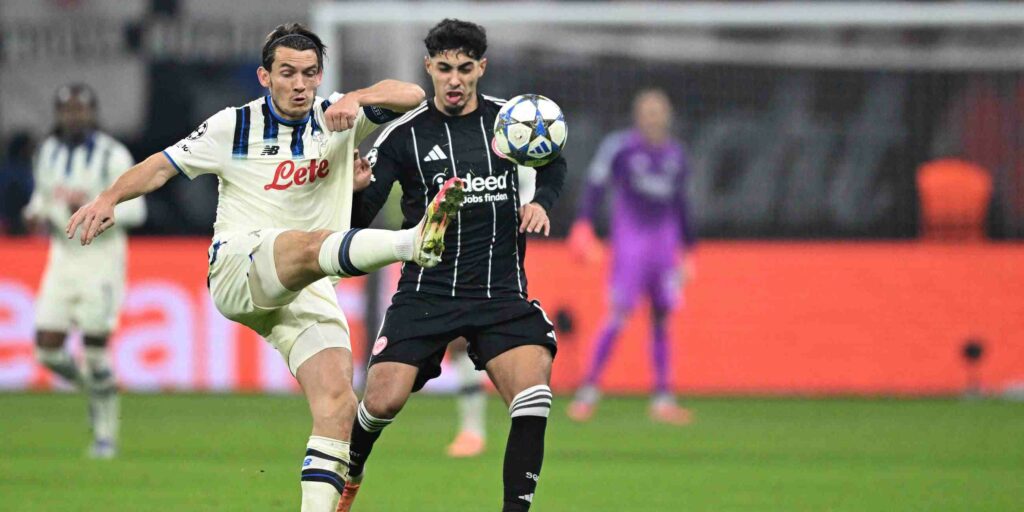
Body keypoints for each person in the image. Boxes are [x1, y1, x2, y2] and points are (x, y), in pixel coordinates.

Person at [66, 23, 464, 512]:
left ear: (320, 76)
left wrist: (356, 98)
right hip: (239, 265)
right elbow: (162, 165)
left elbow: (411, 94)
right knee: (306, 242)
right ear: (264, 76)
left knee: (338, 402)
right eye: (288, 73)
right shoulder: (231, 126)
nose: (300, 84)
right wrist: (109, 197)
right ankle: (411, 242)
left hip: (308, 285)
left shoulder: (336, 114)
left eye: (310, 74)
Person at [338, 18, 567, 512]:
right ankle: (349, 474)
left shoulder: (511, 121)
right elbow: (359, 219)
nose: (455, 79)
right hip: (427, 291)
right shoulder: (403, 135)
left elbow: (554, 159)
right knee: (381, 401)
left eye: (465, 68)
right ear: (429, 68)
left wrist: (543, 201)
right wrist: (353, 193)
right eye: (445, 68)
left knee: (533, 397)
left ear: (481, 68)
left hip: (500, 292)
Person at [22, 84, 146, 458]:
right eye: (67, 110)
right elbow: (43, 196)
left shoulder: (113, 155)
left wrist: (95, 211)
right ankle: (95, 389)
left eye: (80, 110)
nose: (73, 117)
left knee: (95, 349)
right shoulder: (47, 151)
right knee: (46, 350)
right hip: (62, 258)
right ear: (58, 114)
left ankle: (105, 435)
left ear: (93, 113)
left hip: (102, 260)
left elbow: (137, 212)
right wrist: (35, 211)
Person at [567, 88, 697, 426]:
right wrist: (584, 223)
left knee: (662, 318)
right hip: (631, 245)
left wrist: (688, 252)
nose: (655, 118)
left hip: (664, 247)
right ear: (638, 116)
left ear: (667, 116)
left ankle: (663, 398)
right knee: (619, 314)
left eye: (660, 111)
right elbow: (595, 185)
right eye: (648, 111)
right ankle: (588, 392)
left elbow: (682, 205)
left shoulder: (676, 155)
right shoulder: (620, 147)